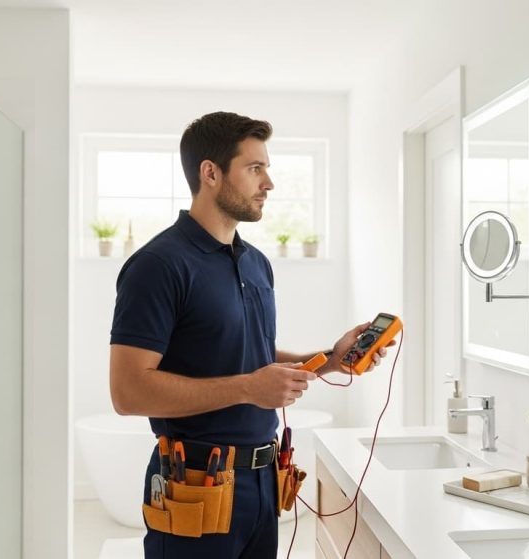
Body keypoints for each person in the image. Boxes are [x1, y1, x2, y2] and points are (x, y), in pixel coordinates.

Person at [109, 111, 390, 558]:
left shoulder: (257, 263)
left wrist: (329, 358)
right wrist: (247, 389)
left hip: (263, 480)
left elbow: (246, 352)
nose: (269, 184)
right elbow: (128, 392)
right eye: (255, 168)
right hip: (195, 483)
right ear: (211, 173)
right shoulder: (159, 265)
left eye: (267, 169)